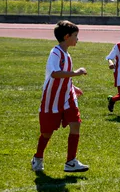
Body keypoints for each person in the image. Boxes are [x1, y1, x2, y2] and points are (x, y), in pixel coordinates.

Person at [32, 20, 89, 173]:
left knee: (76, 123)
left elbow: (64, 76)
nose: (77, 39)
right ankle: (38, 157)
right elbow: (55, 73)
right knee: (47, 132)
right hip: (52, 98)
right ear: (66, 36)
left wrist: (72, 87)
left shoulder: (67, 54)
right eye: (75, 36)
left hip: (67, 95)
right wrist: (76, 74)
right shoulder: (55, 53)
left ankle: (70, 162)